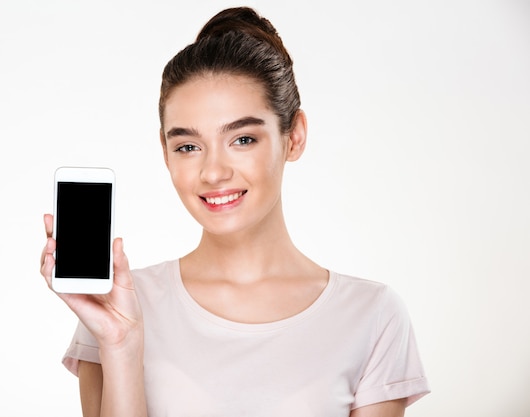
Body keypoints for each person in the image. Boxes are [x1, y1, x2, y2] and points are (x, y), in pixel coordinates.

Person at [40, 6, 430, 417]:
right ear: (166, 152)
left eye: (243, 139)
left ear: (294, 136)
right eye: (188, 146)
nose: (213, 172)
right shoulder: (118, 307)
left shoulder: (372, 315)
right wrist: (120, 342)